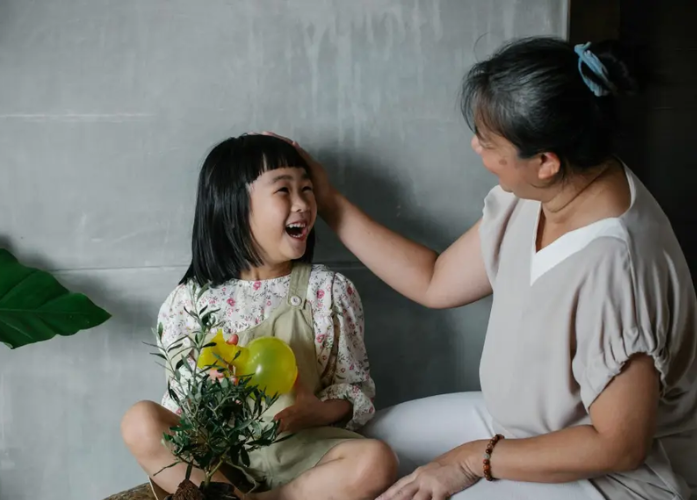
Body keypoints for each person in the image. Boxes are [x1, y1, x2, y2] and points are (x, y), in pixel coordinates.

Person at [269, 36, 697, 500]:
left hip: (612, 481)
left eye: (488, 141)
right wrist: (327, 200)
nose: (475, 146)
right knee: (357, 451)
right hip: (519, 429)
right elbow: (435, 281)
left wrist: (473, 460)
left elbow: (619, 447)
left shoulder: (618, 266)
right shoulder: (539, 194)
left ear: (545, 162)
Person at [120, 134, 398, 499]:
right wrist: (207, 391)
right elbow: (178, 409)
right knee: (139, 421)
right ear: (233, 207)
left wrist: (315, 411)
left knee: (377, 460)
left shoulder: (327, 291)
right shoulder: (187, 302)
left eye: (308, 188)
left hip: (304, 456)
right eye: (284, 190)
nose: (302, 203)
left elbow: (355, 389)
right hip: (220, 465)